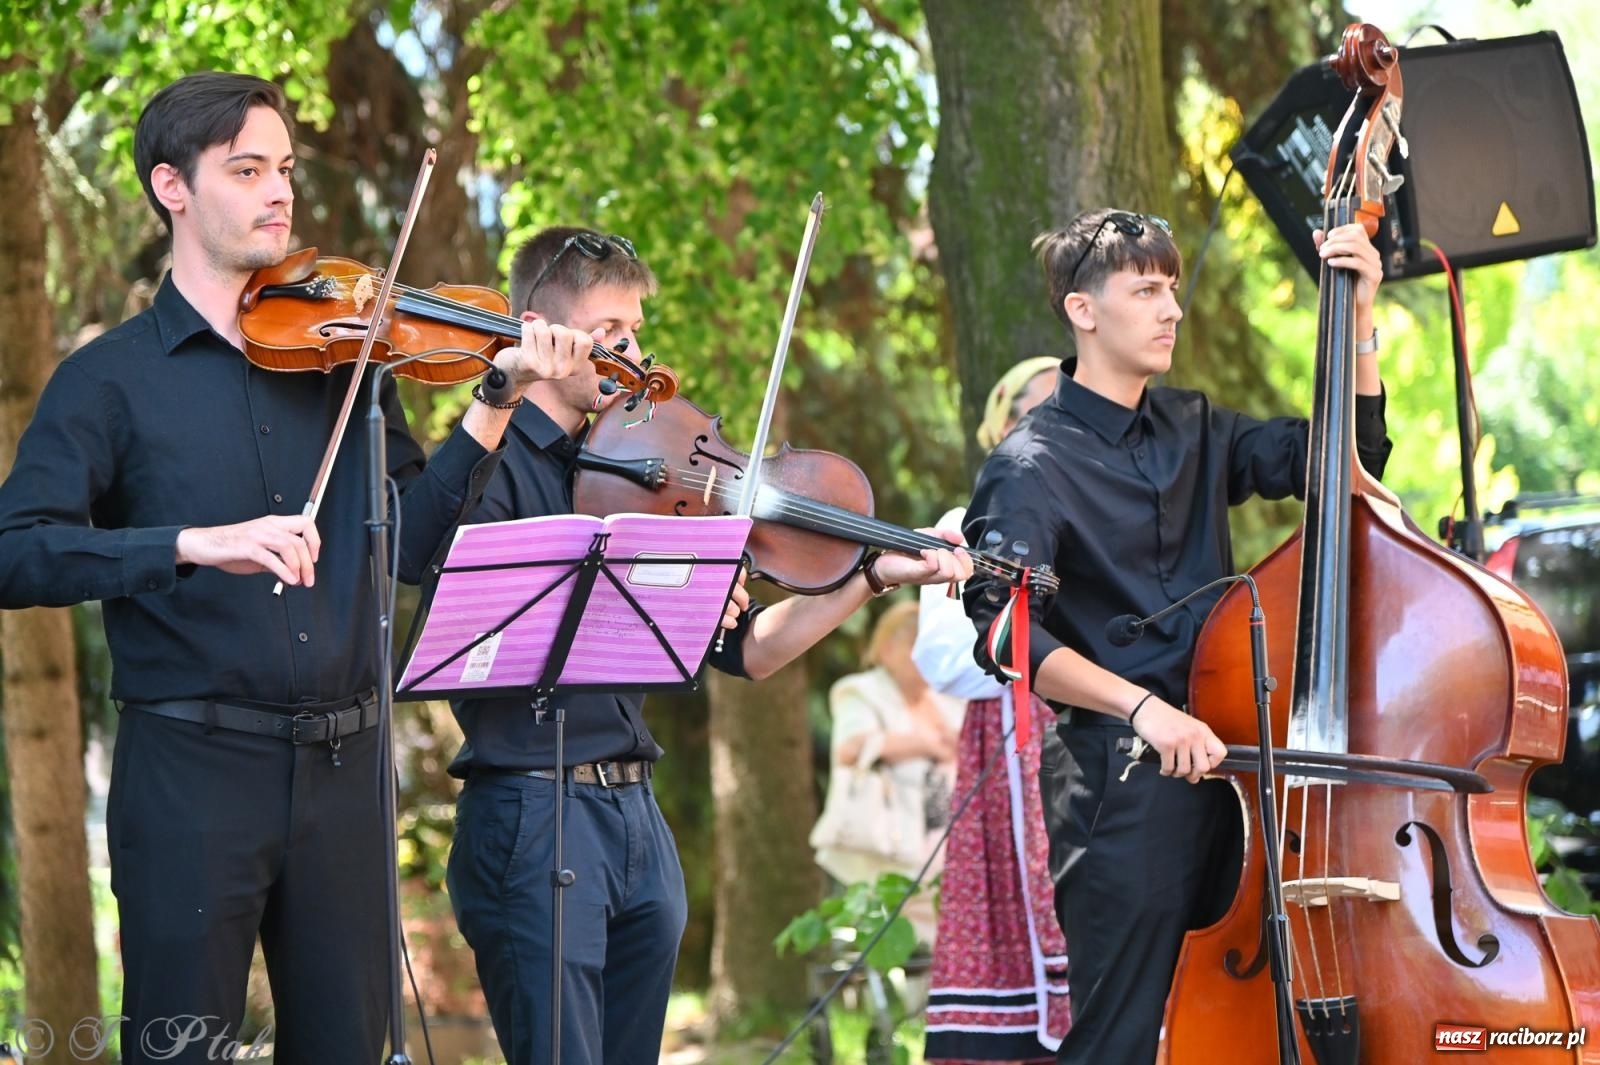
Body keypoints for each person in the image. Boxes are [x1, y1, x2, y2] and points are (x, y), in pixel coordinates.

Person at [0, 73, 595, 1064]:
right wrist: (192, 543)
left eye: (282, 168)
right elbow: (16, 552)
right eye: (245, 170)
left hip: (344, 775)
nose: (279, 192)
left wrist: (495, 399)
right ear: (172, 188)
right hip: (191, 773)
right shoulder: (107, 381)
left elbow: (413, 541)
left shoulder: (351, 367)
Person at [441, 225, 973, 1065]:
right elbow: (463, 616)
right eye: (611, 334)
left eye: (637, 331)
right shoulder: (487, 466)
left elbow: (750, 652)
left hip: (633, 819)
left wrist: (867, 577)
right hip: (533, 809)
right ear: (544, 330)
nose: (634, 355)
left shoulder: (642, 469)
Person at [960, 208, 1391, 1065]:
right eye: (1145, 289)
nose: (1172, 310)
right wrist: (1144, 709)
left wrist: (1361, 318)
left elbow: (1349, 468)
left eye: (1172, 288)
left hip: (1239, 768)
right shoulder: (1027, 466)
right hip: (1124, 783)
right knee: (1115, 1042)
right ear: (1083, 310)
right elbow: (1006, 636)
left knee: (1245, 1015)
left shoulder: (1195, 425)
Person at [916, 355, 1070, 1063]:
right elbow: (942, 659)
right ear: (1004, 430)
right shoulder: (962, 520)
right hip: (1012, 755)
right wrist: (1045, 656)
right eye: (1041, 410)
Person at [812, 600, 964, 944]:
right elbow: (850, 747)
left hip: (946, 837)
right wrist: (924, 743)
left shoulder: (948, 697)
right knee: (911, 937)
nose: (924, 656)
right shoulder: (861, 690)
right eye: (915, 645)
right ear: (886, 649)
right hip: (886, 841)